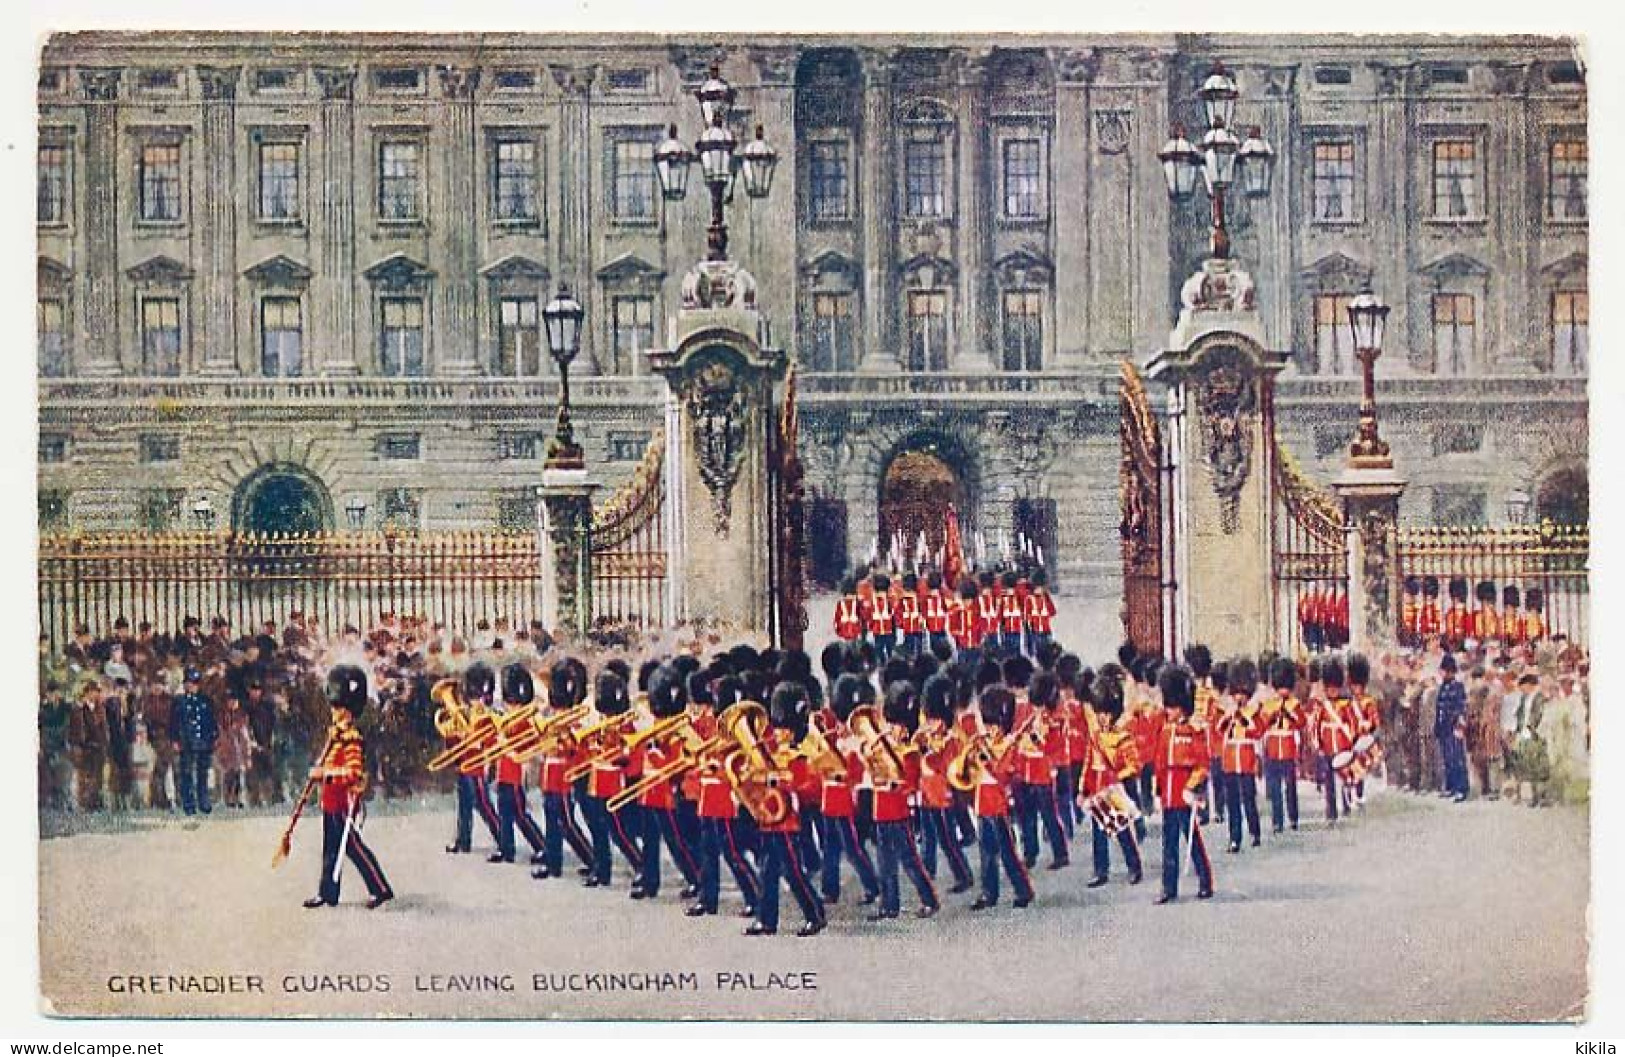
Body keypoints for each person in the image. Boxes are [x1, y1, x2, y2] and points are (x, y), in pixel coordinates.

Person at [303, 665, 393, 910]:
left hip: (343, 801)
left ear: (348, 711)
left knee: (353, 848)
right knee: (331, 849)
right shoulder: (337, 735)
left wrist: (324, 774)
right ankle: (327, 893)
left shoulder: (351, 738)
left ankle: (381, 889)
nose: (334, 712)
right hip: (331, 801)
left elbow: (352, 772)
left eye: (339, 708)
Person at [746, 683, 827, 937]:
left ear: (794, 732)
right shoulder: (770, 754)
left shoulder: (798, 758)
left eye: (784, 729)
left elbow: (808, 789)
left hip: (788, 823)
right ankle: (766, 919)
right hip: (769, 821)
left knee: (792, 872)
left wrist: (783, 782)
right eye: (778, 728)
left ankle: (815, 914)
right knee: (767, 871)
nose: (778, 733)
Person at [868, 681, 940, 921]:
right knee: (885, 863)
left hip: (898, 813)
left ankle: (929, 899)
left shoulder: (909, 752)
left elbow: (910, 783)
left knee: (910, 861)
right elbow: (871, 773)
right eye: (890, 724)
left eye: (896, 726)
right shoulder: (880, 749)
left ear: (906, 728)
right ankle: (889, 906)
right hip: (881, 811)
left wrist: (892, 784)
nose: (891, 729)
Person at [630, 666, 701, 901]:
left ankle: (696, 877)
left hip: (667, 788)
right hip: (649, 786)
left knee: (675, 839)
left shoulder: (680, 727)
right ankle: (649, 880)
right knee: (649, 839)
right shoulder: (652, 722)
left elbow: (685, 757)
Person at [969, 685, 1034, 911]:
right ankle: (988, 893)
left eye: (994, 726)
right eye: (987, 725)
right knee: (986, 853)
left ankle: (1023, 890)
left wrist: (987, 757)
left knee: (1007, 852)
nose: (990, 730)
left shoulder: (1009, 747)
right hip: (981, 803)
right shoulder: (982, 743)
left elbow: (1002, 775)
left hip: (998, 805)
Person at [1152, 664, 1214, 904]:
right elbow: (1159, 762)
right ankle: (1169, 888)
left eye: (1173, 706)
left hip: (1183, 792)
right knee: (1168, 844)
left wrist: (1192, 787)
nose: (1169, 711)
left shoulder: (1193, 731)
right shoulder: (1165, 730)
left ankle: (1205, 881)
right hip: (1168, 792)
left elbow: (1202, 764)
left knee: (1192, 841)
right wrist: (1157, 791)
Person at [1079, 674, 1144, 888]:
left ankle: (1134, 867)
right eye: (1099, 713)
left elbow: (1135, 765)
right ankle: (1100, 870)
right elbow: (1088, 763)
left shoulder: (1122, 738)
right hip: (1097, 789)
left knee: (1121, 829)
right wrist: (1083, 789)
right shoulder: (1095, 737)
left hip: (1113, 789)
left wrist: (1118, 778)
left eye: (1105, 713)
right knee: (1098, 832)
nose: (1101, 718)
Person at [490, 663, 546, 865]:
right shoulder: (507, 718)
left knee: (520, 814)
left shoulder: (525, 721)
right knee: (504, 812)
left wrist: (507, 746)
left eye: (513, 702)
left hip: (516, 772)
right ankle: (506, 849)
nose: (510, 706)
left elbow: (528, 748)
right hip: (504, 771)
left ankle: (541, 845)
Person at [446, 663, 503, 855]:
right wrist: (453, 735)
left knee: (483, 804)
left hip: (478, 764)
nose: (475, 701)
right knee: (464, 805)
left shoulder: (487, 715)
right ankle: (463, 840)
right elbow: (452, 740)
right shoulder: (462, 712)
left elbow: (491, 740)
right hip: (463, 762)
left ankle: (502, 839)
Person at [1218, 657, 1263, 852]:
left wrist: (1243, 719)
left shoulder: (1253, 712)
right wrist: (1229, 718)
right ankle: (1234, 838)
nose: (1239, 698)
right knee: (1232, 802)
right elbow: (1220, 730)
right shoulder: (1228, 711)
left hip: (1245, 759)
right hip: (1229, 760)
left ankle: (1255, 832)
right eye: (1236, 694)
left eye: (1242, 694)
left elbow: (1257, 731)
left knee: (1248, 799)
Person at [1260, 658, 1303, 834]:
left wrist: (1289, 715)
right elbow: (1262, 724)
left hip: (1288, 747)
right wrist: (1272, 716)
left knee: (1290, 786)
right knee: (1275, 788)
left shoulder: (1295, 704)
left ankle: (1293, 817)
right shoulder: (1269, 704)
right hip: (1272, 748)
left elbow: (1301, 722)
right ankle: (1277, 820)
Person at [169, 668, 218, 816]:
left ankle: (203, 801)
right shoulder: (179, 702)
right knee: (186, 773)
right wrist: (175, 740)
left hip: (203, 741)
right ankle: (189, 804)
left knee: (203, 773)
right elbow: (173, 723)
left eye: (194, 683)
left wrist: (213, 737)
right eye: (189, 683)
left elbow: (211, 721)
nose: (191, 686)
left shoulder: (206, 701)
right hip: (186, 742)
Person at [67, 680, 110, 813]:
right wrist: (77, 745)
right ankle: (83, 804)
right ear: (88, 693)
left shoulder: (100, 708)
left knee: (97, 776)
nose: (96, 695)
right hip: (85, 746)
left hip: (98, 746)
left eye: (97, 692)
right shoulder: (78, 709)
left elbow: (104, 728)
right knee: (84, 776)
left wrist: (104, 743)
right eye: (94, 692)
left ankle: (94, 803)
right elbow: (75, 730)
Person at [1435, 654, 1470, 802]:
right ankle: (1450, 787)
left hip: (1454, 727)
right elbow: (1439, 708)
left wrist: (1460, 727)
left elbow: (1461, 708)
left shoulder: (1458, 687)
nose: (1441, 673)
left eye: (1443, 670)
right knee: (1447, 759)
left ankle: (1461, 789)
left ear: (1450, 671)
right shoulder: (1442, 687)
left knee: (1457, 759)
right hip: (1444, 728)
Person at [214, 692, 252, 809]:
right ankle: (227, 799)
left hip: (238, 752)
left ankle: (239, 798)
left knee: (239, 777)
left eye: (235, 701)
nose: (232, 703)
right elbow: (219, 734)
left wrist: (247, 756)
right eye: (230, 701)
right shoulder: (222, 716)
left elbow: (245, 738)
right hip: (226, 751)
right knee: (227, 777)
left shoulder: (242, 716)